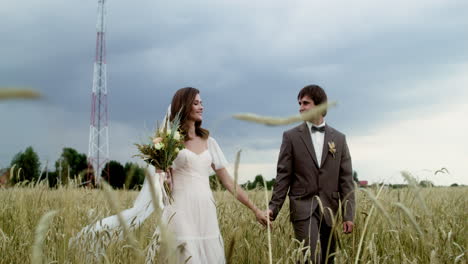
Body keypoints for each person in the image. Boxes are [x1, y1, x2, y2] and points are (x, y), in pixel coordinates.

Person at [161, 87, 268, 263]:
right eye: (196, 103)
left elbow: (228, 182)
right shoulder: (169, 143)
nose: (201, 107)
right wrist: (164, 180)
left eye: (201, 103)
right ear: (184, 106)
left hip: (206, 211)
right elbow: (164, 183)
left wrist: (255, 210)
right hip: (180, 211)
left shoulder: (210, 142)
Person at [267, 84, 355, 264]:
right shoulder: (290, 137)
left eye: (305, 103)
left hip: (330, 209)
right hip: (302, 208)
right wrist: (273, 208)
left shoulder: (339, 138)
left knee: (328, 259)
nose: (300, 107)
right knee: (310, 258)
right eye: (299, 103)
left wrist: (348, 214)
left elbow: (346, 179)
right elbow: (283, 176)